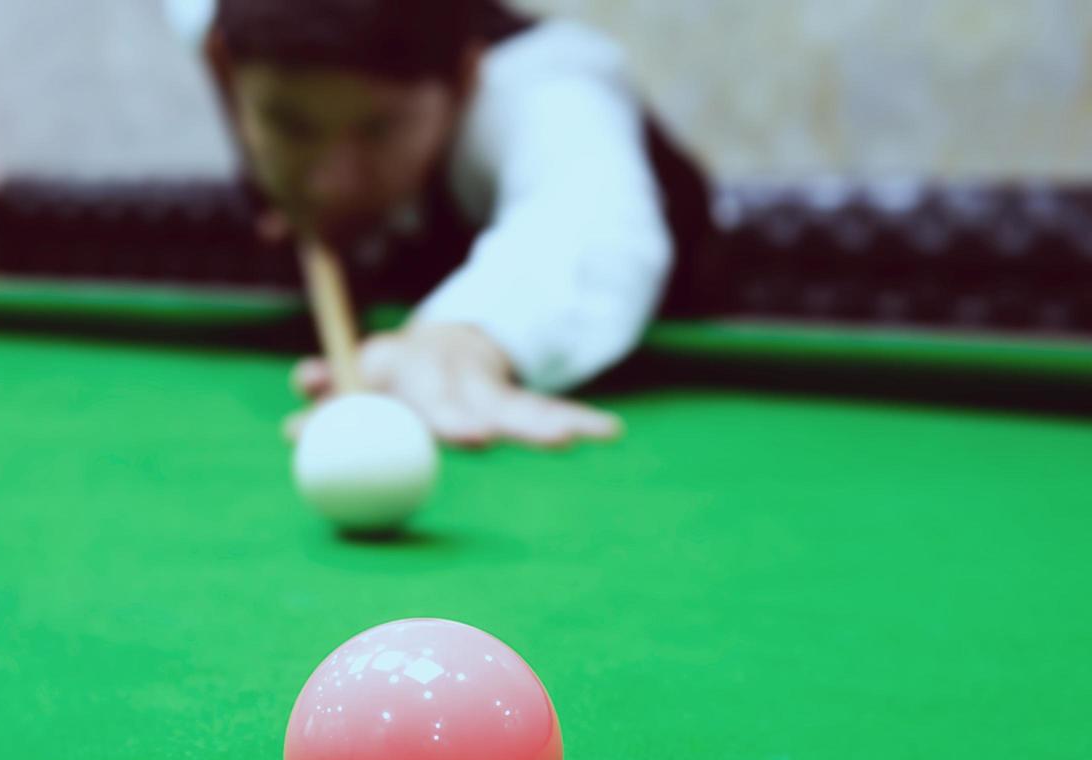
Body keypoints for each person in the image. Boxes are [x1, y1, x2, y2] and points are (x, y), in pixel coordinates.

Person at [204, 0, 713, 447]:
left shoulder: (541, 82)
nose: (332, 183)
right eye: (289, 124)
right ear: (225, 73)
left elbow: (589, 213)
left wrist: (462, 338)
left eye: (380, 130)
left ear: (467, 78)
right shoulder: (233, 43)